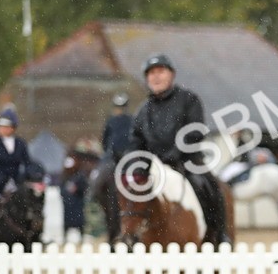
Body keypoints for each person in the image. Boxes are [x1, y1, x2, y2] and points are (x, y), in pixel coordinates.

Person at [126, 54, 229, 245]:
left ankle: (219, 235)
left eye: (160, 72)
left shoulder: (189, 99)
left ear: (171, 75)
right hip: (155, 167)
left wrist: (175, 154)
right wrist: (138, 166)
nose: (156, 77)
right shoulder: (143, 110)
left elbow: (195, 131)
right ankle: (128, 235)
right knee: (129, 192)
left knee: (209, 186)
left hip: (188, 161)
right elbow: (135, 142)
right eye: (151, 73)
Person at [0, 109, 35, 244]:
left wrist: (29, 175)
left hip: (15, 183)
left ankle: (33, 235)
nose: (2, 129)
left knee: (31, 205)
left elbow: (28, 163)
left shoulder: (20, 143)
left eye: (6, 126)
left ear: (13, 127)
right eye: (1, 126)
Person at [91, 93, 133, 243]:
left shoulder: (131, 121)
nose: (119, 110)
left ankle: (95, 193)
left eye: (121, 107)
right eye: (118, 107)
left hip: (126, 160)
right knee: (97, 176)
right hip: (113, 159)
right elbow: (105, 142)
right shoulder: (112, 121)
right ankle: (95, 193)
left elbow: (104, 142)